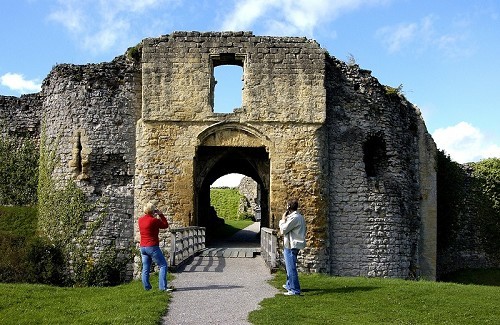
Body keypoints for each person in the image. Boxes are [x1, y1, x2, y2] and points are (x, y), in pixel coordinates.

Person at [138, 201, 172, 291]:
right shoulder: (154, 221)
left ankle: (147, 288)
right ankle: (163, 287)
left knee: (145, 268)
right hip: (152, 246)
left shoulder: (140, 220)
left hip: (143, 247)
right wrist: (161, 215)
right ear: (153, 211)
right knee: (163, 265)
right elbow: (165, 225)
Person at [279, 199, 307, 296]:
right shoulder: (298, 217)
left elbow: (283, 230)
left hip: (292, 246)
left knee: (291, 268)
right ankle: (289, 285)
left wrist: (282, 220)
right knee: (289, 266)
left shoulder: (295, 218)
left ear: (289, 207)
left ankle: (295, 290)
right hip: (292, 244)